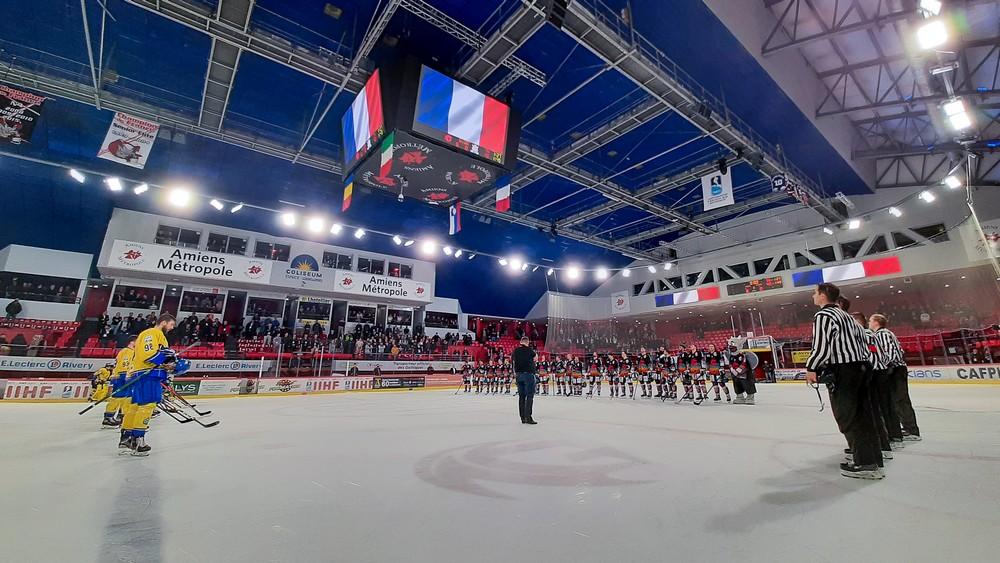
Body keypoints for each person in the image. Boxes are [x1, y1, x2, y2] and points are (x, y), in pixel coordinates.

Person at [806, 283, 884, 480]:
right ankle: (872, 459)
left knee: (848, 415)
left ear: (823, 295)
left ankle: (865, 464)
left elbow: (821, 347)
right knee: (863, 415)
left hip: (845, 370)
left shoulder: (824, 316)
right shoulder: (847, 316)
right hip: (861, 367)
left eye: (815, 293)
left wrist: (811, 367)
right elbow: (862, 343)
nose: (813, 296)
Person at [120, 314, 182, 456]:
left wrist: (168, 361)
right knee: (147, 406)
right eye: (171, 325)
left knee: (136, 406)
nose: (172, 328)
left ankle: (126, 438)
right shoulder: (153, 333)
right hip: (148, 374)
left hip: (144, 373)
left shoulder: (152, 334)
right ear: (164, 322)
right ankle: (138, 441)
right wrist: (167, 362)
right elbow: (149, 354)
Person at [870, 314, 920, 442]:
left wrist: (882, 366)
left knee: (900, 400)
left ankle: (911, 430)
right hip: (897, 369)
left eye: (870, 321)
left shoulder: (882, 334)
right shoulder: (887, 333)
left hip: (895, 370)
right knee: (898, 400)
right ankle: (907, 428)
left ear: (876, 322)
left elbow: (889, 353)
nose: (869, 323)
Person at [104, 338, 135, 430]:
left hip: (125, 375)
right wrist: (126, 376)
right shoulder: (127, 351)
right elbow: (124, 365)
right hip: (123, 376)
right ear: (132, 342)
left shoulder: (129, 351)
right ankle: (108, 417)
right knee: (118, 397)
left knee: (127, 398)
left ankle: (123, 417)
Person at [512, 337, 537, 425]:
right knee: (529, 396)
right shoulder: (529, 350)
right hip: (528, 375)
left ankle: (523, 418)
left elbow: (513, 362)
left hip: (519, 375)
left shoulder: (516, 351)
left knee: (521, 396)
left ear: (520, 342)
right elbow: (535, 358)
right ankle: (528, 417)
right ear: (527, 342)